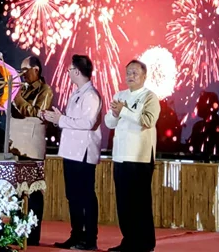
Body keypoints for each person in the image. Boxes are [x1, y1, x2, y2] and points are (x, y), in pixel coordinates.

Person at [43, 54, 101, 251]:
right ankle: (76, 235)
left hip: (83, 152)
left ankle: (89, 239)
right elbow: (71, 121)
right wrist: (57, 118)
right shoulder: (77, 93)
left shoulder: (91, 95)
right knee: (73, 195)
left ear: (77, 71)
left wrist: (61, 120)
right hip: (71, 151)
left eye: (69, 70)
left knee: (85, 195)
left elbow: (88, 123)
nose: (67, 73)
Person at [104, 60, 160, 252]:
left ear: (144, 76)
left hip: (139, 158)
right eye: (128, 72)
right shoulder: (120, 95)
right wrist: (114, 113)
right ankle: (128, 240)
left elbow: (148, 121)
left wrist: (124, 111)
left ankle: (145, 243)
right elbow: (109, 123)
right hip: (120, 156)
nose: (130, 76)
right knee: (123, 203)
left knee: (140, 202)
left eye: (135, 73)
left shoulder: (150, 97)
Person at [10, 55, 53, 246]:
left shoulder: (45, 90)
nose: (22, 74)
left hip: (32, 148)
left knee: (33, 191)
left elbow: (37, 113)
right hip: (16, 145)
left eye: (25, 69)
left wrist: (17, 98)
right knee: (17, 192)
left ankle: (33, 235)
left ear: (36, 70)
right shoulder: (22, 88)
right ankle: (16, 229)